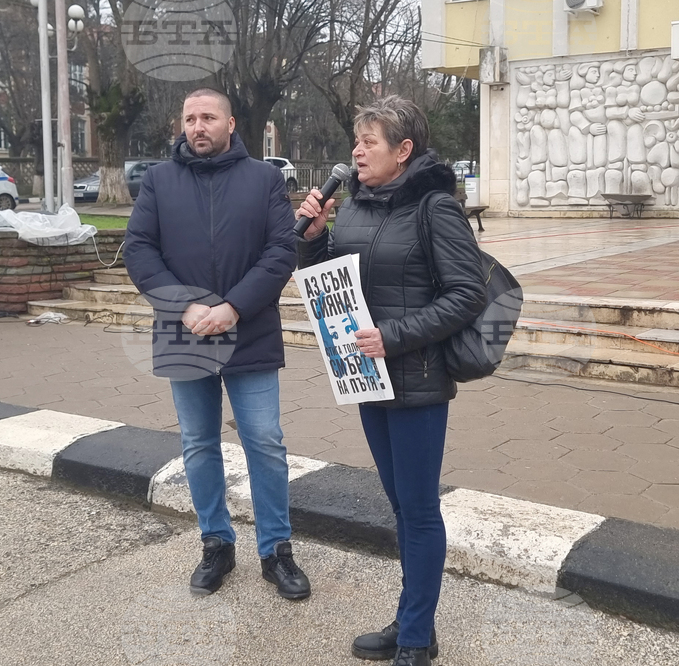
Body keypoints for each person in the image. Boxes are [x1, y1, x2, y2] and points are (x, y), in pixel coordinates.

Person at [296, 96, 486, 666]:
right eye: (356, 141)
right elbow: (326, 280)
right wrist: (312, 238)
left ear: (404, 151)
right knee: (400, 507)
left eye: (370, 141)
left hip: (418, 380)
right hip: (367, 380)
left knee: (420, 508)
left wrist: (395, 336)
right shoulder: (353, 207)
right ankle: (413, 621)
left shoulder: (435, 208)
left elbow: (467, 294)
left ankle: (415, 640)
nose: (357, 151)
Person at [125, 88, 310, 600]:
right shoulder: (160, 180)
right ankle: (216, 543)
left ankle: (276, 550)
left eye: (208, 117)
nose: (198, 126)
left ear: (231, 124)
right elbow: (138, 250)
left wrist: (232, 307)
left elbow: (281, 250)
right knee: (198, 444)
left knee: (265, 444)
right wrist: (184, 307)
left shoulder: (264, 179)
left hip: (248, 330)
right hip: (184, 332)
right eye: (189, 118)